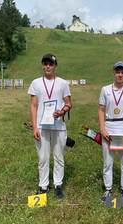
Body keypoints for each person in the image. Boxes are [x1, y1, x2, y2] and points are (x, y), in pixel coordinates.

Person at [28, 53, 72, 200]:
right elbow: (33, 105)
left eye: (51, 64)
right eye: (45, 63)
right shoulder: (35, 83)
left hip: (58, 125)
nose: (48, 66)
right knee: (43, 157)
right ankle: (43, 185)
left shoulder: (62, 83)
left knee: (59, 156)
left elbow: (69, 103)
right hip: (42, 127)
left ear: (55, 66)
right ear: (42, 65)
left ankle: (58, 185)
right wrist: (35, 127)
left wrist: (62, 112)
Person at [98, 61, 123, 203]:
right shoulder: (105, 90)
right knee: (107, 162)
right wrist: (102, 129)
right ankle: (108, 189)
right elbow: (101, 110)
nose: (120, 74)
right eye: (117, 72)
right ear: (113, 73)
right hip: (109, 128)